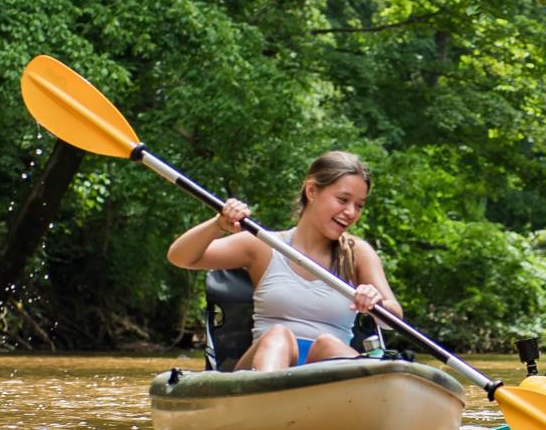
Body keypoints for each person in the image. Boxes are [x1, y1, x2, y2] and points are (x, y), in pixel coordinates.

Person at [167, 151, 400, 371]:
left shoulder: (357, 253)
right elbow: (181, 257)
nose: (351, 212)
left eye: (359, 205)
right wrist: (218, 224)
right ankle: (267, 397)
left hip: (328, 372)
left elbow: (393, 318)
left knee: (327, 344)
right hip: (266, 362)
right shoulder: (264, 245)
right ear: (311, 191)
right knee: (279, 335)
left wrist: (376, 302)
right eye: (342, 199)